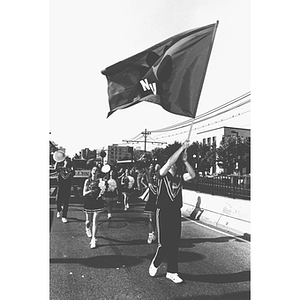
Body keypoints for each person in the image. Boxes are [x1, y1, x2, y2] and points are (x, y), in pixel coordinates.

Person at [149, 140, 195, 284]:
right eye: (174, 163)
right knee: (164, 243)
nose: (175, 165)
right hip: (162, 211)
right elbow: (169, 162)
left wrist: (186, 161)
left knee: (174, 243)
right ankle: (156, 262)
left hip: (175, 212)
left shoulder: (179, 178)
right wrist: (182, 148)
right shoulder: (162, 174)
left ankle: (172, 272)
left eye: (177, 164)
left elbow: (193, 175)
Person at [83, 166, 105, 249]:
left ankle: (93, 239)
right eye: (93, 170)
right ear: (91, 171)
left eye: (96, 170)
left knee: (95, 221)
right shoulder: (87, 181)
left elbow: (103, 191)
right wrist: (91, 191)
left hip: (97, 202)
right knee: (88, 221)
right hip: (89, 201)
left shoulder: (100, 181)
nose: (94, 171)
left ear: (98, 172)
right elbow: (83, 193)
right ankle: (87, 228)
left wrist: (103, 189)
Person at [143, 164, 160, 244]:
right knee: (150, 220)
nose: (155, 178)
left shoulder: (161, 185)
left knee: (157, 222)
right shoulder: (151, 184)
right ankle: (150, 235)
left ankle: (153, 234)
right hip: (151, 204)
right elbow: (148, 174)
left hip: (159, 205)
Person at [55, 156, 75, 223]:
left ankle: (64, 216)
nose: (66, 162)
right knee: (58, 200)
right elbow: (55, 168)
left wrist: (71, 166)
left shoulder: (71, 170)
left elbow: (73, 172)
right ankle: (58, 210)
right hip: (60, 187)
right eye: (65, 160)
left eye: (68, 161)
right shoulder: (60, 169)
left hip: (67, 188)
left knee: (66, 202)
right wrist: (57, 160)